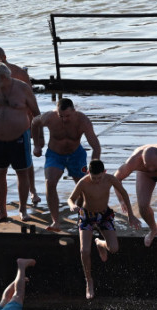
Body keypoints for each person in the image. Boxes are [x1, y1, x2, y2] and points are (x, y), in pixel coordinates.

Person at [67, 159, 141, 300]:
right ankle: (89, 280)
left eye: (99, 177)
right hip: (87, 216)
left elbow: (124, 193)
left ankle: (99, 243)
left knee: (113, 248)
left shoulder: (110, 179)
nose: (96, 181)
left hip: (104, 215)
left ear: (104, 173)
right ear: (89, 173)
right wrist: (72, 205)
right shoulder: (83, 182)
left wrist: (131, 215)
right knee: (84, 250)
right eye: (93, 178)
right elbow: (71, 198)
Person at [0, 61, 40, 222]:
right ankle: (2, 210)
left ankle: (23, 209)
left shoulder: (23, 88)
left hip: (19, 138)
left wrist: (38, 141)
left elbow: (36, 113)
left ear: (2, 77)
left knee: (22, 173)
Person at [31, 97, 101, 231]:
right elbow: (34, 122)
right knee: (50, 183)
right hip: (55, 155)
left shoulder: (83, 121)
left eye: (67, 116)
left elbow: (96, 146)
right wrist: (37, 145)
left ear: (74, 111)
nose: (64, 119)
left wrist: (95, 168)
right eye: (61, 116)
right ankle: (55, 221)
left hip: (76, 155)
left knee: (84, 188)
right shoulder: (49, 117)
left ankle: (82, 216)